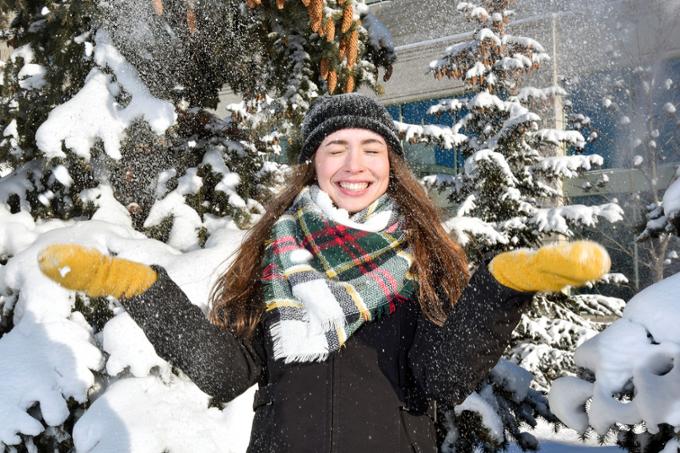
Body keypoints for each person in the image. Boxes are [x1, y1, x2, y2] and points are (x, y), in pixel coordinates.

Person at [38, 94, 611, 453]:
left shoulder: (421, 264)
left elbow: (440, 377)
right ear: (313, 163)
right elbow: (225, 373)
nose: (354, 164)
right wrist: (141, 290)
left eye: (371, 149)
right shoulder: (275, 258)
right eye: (336, 148)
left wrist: (502, 287)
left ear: (391, 166)